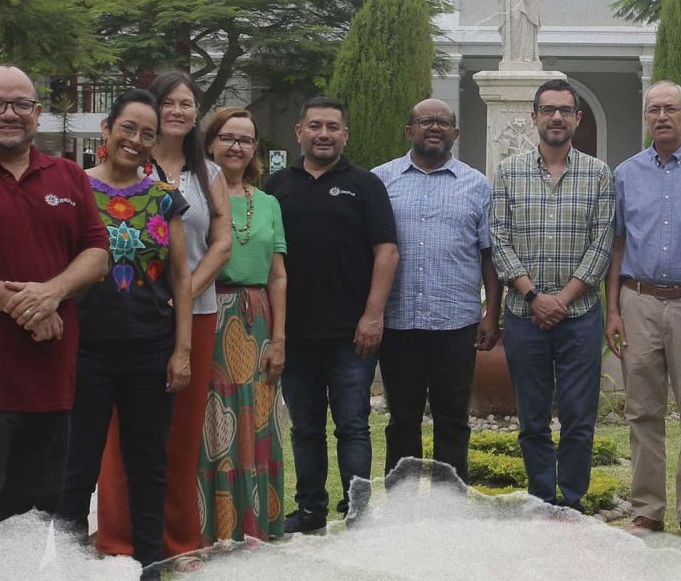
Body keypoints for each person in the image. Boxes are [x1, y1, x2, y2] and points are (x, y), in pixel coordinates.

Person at [0, 65, 108, 538]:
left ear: (37, 113)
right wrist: (28, 307)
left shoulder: (69, 176)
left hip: (49, 386)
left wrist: (51, 292)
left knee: (31, 527)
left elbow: (96, 253)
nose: (9, 114)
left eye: (21, 104)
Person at [97, 71, 232, 567]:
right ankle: (115, 538)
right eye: (168, 102)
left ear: (197, 113)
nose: (178, 110)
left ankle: (176, 540)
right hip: (126, 314)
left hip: (191, 316)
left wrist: (185, 293)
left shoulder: (209, 174)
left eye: (187, 103)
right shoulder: (130, 165)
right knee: (118, 432)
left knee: (178, 432)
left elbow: (221, 243)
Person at [55, 90, 192, 570]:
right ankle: (71, 569)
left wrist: (182, 351)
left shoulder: (164, 198)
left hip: (150, 353)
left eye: (147, 134)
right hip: (84, 351)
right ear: (107, 131)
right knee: (75, 472)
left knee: (149, 469)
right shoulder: (72, 186)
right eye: (127, 129)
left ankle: (149, 568)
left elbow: (181, 277)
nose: (135, 140)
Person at [265, 96, 399, 533]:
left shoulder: (365, 185)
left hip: (351, 334)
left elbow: (386, 251)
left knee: (353, 426)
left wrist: (373, 315)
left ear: (345, 135)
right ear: (299, 132)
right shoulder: (275, 187)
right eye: (315, 126)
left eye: (333, 127)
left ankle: (358, 511)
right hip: (294, 333)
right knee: (305, 428)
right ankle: (309, 510)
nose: (324, 134)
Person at [490, 79, 615, 512]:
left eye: (565, 110)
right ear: (535, 117)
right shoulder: (508, 172)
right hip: (525, 316)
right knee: (533, 419)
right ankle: (543, 497)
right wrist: (533, 296)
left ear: (578, 118)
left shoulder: (598, 174)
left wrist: (561, 298)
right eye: (548, 110)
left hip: (579, 316)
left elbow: (602, 243)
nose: (557, 117)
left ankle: (573, 501)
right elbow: (498, 239)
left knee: (580, 417)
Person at [605, 80, 681, 537]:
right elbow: (617, 245)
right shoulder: (626, 173)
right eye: (653, 109)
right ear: (645, 117)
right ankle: (647, 510)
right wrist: (613, 310)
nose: (661, 117)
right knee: (642, 410)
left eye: (670, 109)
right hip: (638, 299)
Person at [372, 99, 501, 483]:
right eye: (425, 121)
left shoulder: (477, 185)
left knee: (453, 420)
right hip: (399, 322)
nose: (434, 127)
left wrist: (491, 312)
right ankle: (403, 507)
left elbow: (489, 257)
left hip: (456, 323)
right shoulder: (381, 181)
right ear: (409, 130)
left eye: (443, 122)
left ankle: (450, 509)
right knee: (402, 420)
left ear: (455, 134)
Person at [199, 108, 287, 544]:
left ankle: (256, 525)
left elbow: (278, 275)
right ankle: (210, 526)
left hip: (258, 320)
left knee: (257, 418)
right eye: (227, 137)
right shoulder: (194, 195)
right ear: (210, 143)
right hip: (207, 311)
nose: (236, 146)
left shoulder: (268, 203)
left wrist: (280, 339)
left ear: (255, 149)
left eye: (246, 139)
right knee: (211, 418)